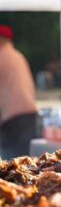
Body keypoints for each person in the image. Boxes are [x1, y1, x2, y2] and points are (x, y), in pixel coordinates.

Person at [0, 25, 38, 159]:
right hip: (29, 113)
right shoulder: (18, 56)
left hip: (12, 118)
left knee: (12, 162)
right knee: (27, 160)